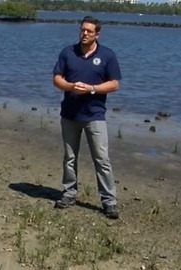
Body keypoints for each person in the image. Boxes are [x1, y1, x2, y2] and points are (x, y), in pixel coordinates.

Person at [52, 16, 122, 219]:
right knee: (69, 157)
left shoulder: (107, 55)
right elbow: (56, 78)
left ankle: (109, 202)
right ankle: (69, 193)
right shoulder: (68, 52)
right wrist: (71, 86)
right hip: (70, 114)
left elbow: (114, 84)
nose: (84, 33)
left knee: (102, 159)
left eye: (89, 31)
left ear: (97, 34)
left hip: (95, 116)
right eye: (82, 30)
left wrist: (91, 89)